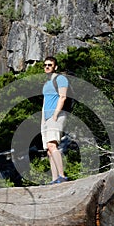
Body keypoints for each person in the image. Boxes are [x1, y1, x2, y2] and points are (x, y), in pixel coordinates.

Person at [41, 56, 69, 184]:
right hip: (46, 119)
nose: (47, 67)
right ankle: (54, 179)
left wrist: (55, 115)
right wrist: (43, 120)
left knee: (52, 146)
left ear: (55, 67)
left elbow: (63, 97)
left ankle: (62, 176)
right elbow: (45, 102)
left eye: (50, 65)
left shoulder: (60, 79)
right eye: (45, 65)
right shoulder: (46, 83)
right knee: (49, 149)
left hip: (56, 116)